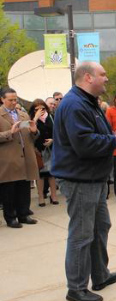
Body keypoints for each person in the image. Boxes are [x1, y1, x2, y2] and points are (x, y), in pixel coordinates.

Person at [52, 61, 116, 301]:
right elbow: (83, 144)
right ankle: (76, 287)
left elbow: (93, 135)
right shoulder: (75, 104)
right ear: (87, 77)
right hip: (80, 180)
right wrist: (115, 142)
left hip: (93, 179)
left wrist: (113, 137)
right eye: (102, 74)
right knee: (82, 235)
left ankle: (100, 275)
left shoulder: (88, 102)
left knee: (100, 226)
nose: (106, 78)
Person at [0, 87, 40, 228]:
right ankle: (11, 217)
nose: (13, 102)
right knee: (9, 190)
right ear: (2, 99)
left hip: (26, 157)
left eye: (15, 99)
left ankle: (23, 214)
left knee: (24, 188)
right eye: (10, 100)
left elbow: (31, 136)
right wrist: (9, 133)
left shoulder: (23, 115)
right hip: (8, 159)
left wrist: (34, 131)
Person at [28, 99, 58, 207]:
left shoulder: (51, 117)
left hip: (51, 148)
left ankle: (53, 195)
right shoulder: (31, 119)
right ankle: (41, 197)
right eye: (37, 109)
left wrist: (53, 140)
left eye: (43, 108)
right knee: (40, 175)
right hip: (38, 150)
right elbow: (29, 133)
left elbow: (58, 132)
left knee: (52, 174)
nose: (40, 111)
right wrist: (35, 118)